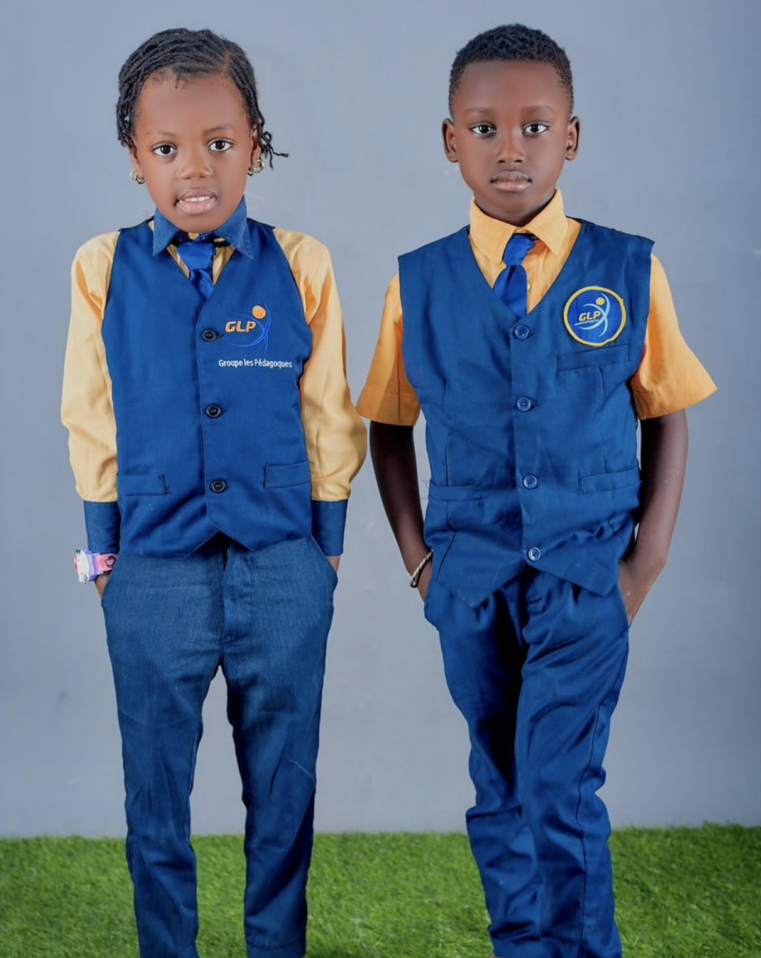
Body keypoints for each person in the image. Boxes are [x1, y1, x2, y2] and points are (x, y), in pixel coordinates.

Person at [357, 23, 715, 958]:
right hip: (469, 583)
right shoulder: (417, 283)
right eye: (484, 128)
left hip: (587, 575)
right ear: (451, 141)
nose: (508, 147)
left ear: (572, 137)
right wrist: (420, 566)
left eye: (533, 126)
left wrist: (647, 560)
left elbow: (667, 411)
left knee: (560, 784)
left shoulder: (627, 269)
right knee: (501, 783)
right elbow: (387, 426)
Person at [61, 27, 366, 958]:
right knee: (154, 798)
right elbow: (90, 416)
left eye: (220, 143)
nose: (194, 168)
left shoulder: (302, 263)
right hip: (152, 569)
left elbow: (328, 411)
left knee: (284, 792)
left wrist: (326, 547)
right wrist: (104, 553)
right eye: (166, 148)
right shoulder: (102, 266)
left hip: (282, 565)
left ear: (255, 144)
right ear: (135, 157)